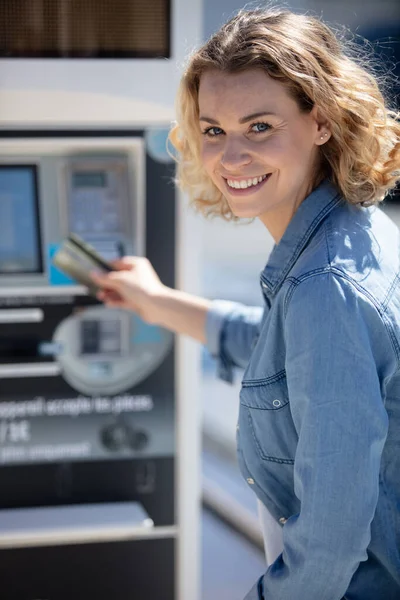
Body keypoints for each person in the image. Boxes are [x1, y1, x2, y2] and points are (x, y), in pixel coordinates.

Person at [92, 7, 400, 600]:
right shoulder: (355, 229)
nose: (230, 158)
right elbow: (279, 349)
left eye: (259, 127)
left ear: (322, 120)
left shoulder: (323, 286)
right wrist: (156, 302)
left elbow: (331, 538)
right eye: (214, 130)